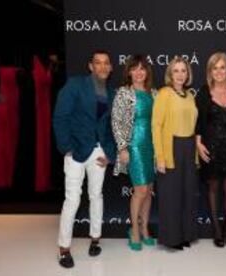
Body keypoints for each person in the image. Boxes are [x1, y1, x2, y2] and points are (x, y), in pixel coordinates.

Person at [53, 50, 116, 268]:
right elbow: (60, 117)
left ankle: (95, 238)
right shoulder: (75, 85)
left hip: (99, 153)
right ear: (91, 66)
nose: (102, 66)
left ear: (110, 67)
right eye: (97, 63)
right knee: (72, 199)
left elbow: (111, 127)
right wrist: (66, 147)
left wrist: (110, 153)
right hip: (76, 152)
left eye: (106, 63)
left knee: (96, 195)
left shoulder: (112, 91)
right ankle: (64, 249)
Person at [152, 56, 199, 250]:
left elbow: (193, 126)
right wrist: (160, 157)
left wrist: (195, 154)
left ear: (188, 74)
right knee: (171, 197)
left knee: (188, 194)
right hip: (172, 147)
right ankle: (172, 239)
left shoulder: (189, 95)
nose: (180, 74)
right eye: (176, 71)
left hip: (189, 148)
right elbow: (156, 125)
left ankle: (186, 234)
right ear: (170, 74)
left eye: (184, 71)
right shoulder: (164, 93)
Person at [195, 52, 226, 247]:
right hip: (210, 149)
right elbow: (198, 122)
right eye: (215, 68)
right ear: (210, 71)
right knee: (213, 188)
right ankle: (216, 228)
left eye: (223, 67)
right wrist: (198, 144)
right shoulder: (204, 92)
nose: (219, 71)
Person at [111, 55, 155, 251]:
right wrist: (122, 147)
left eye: (142, 68)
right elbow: (116, 121)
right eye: (134, 69)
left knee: (149, 190)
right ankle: (134, 229)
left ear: (147, 72)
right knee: (140, 190)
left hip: (152, 145)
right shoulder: (123, 93)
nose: (139, 72)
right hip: (134, 146)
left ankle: (145, 228)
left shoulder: (154, 93)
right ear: (129, 72)